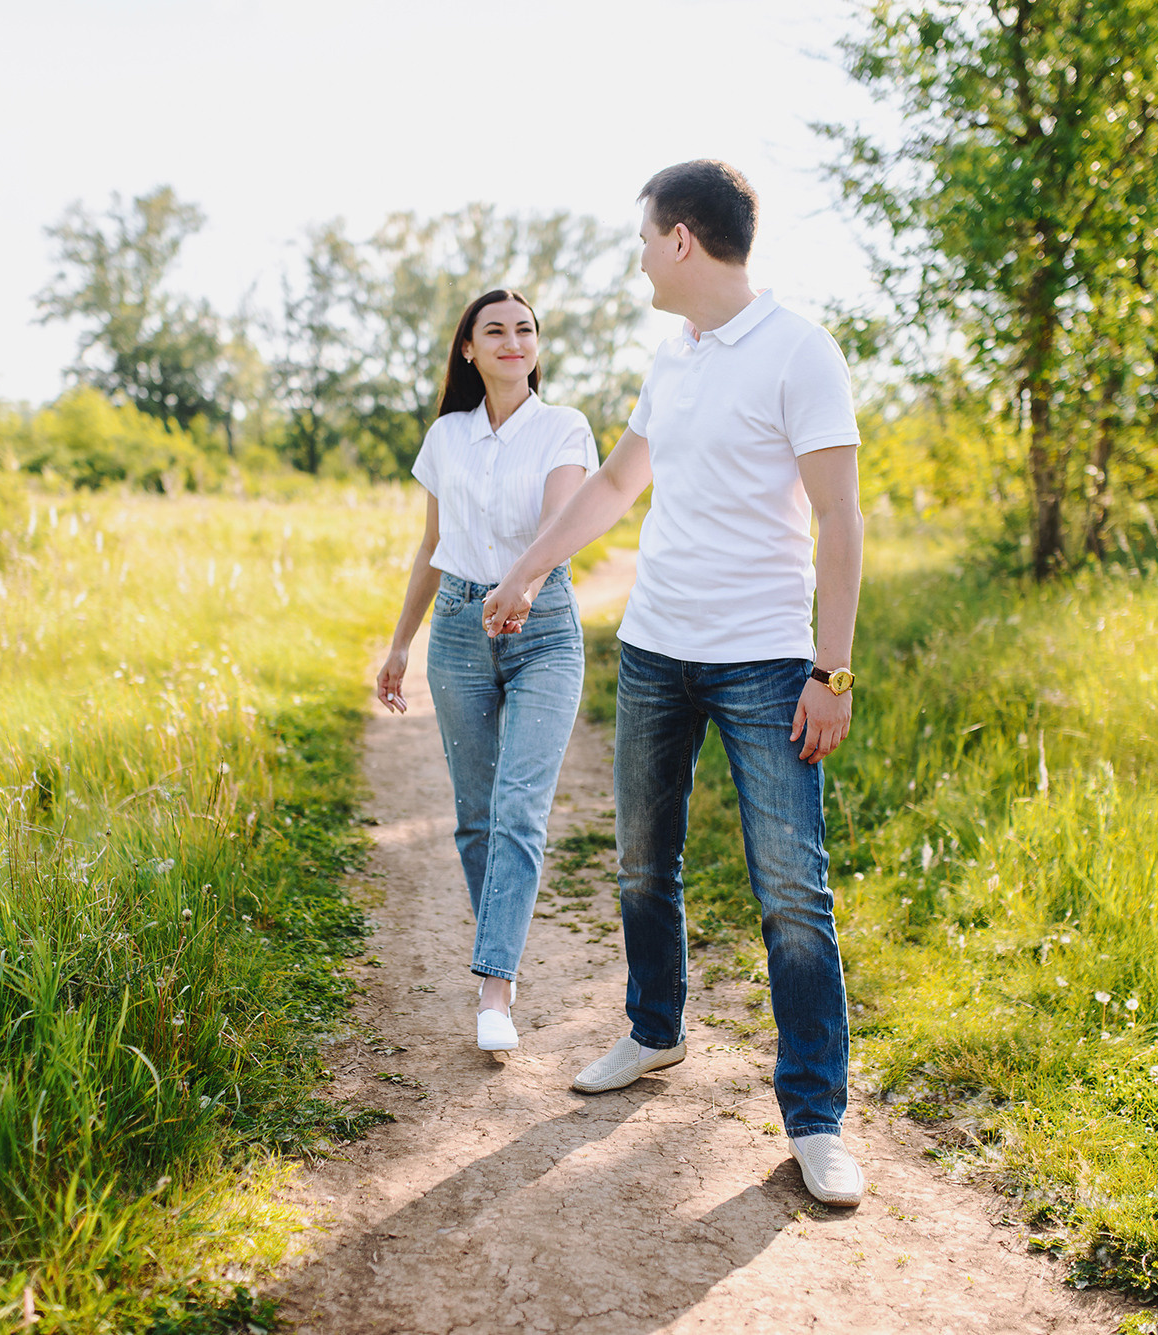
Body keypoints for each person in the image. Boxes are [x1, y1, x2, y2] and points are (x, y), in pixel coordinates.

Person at [480, 162, 868, 1207]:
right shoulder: (675, 354)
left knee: (792, 892)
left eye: (646, 239)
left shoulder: (799, 350)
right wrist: (527, 570)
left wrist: (831, 670)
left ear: (682, 239)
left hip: (763, 661)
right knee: (643, 864)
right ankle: (654, 1031)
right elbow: (617, 481)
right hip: (655, 650)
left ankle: (816, 1118)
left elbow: (840, 518)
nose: (641, 258)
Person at [376, 289, 599, 1053]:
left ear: (538, 345)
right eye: (495, 330)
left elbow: (562, 522)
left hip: (544, 627)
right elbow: (432, 545)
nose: (513, 340)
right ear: (468, 349)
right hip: (459, 629)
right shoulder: (447, 436)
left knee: (519, 806)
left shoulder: (564, 427)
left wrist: (524, 585)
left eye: (525, 329)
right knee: (475, 815)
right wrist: (400, 644)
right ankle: (499, 953)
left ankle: (495, 986)